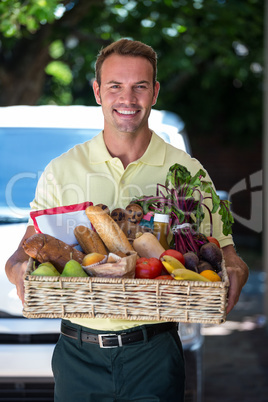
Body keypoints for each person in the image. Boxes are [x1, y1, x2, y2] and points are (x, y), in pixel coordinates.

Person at [5, 39, 249, 402]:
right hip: (77, 352)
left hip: (153, 351)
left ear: (155, 92)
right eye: (115, 86)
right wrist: (18, 271)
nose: (127, 99)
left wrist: (235, 268)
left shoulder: (186, 170)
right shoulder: (62, 169)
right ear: (97, 91)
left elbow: (225, 251)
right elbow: (23, 252)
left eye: (140, 86)